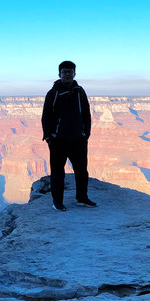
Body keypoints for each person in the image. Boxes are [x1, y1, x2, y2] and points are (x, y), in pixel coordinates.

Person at [41, 60, 96, 211]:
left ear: (74, 74)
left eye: (70, 72)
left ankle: (82, 198)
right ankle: (57, 202)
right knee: (58, 172)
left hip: (78, 139)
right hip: (58, 140)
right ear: (59, 74)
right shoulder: (53, 93)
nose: (67, 74)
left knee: (81, 170)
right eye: (64, 72)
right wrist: (48, 137)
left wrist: (86, 134)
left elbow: (86, 113)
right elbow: (46, 116)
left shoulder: (79, 91)